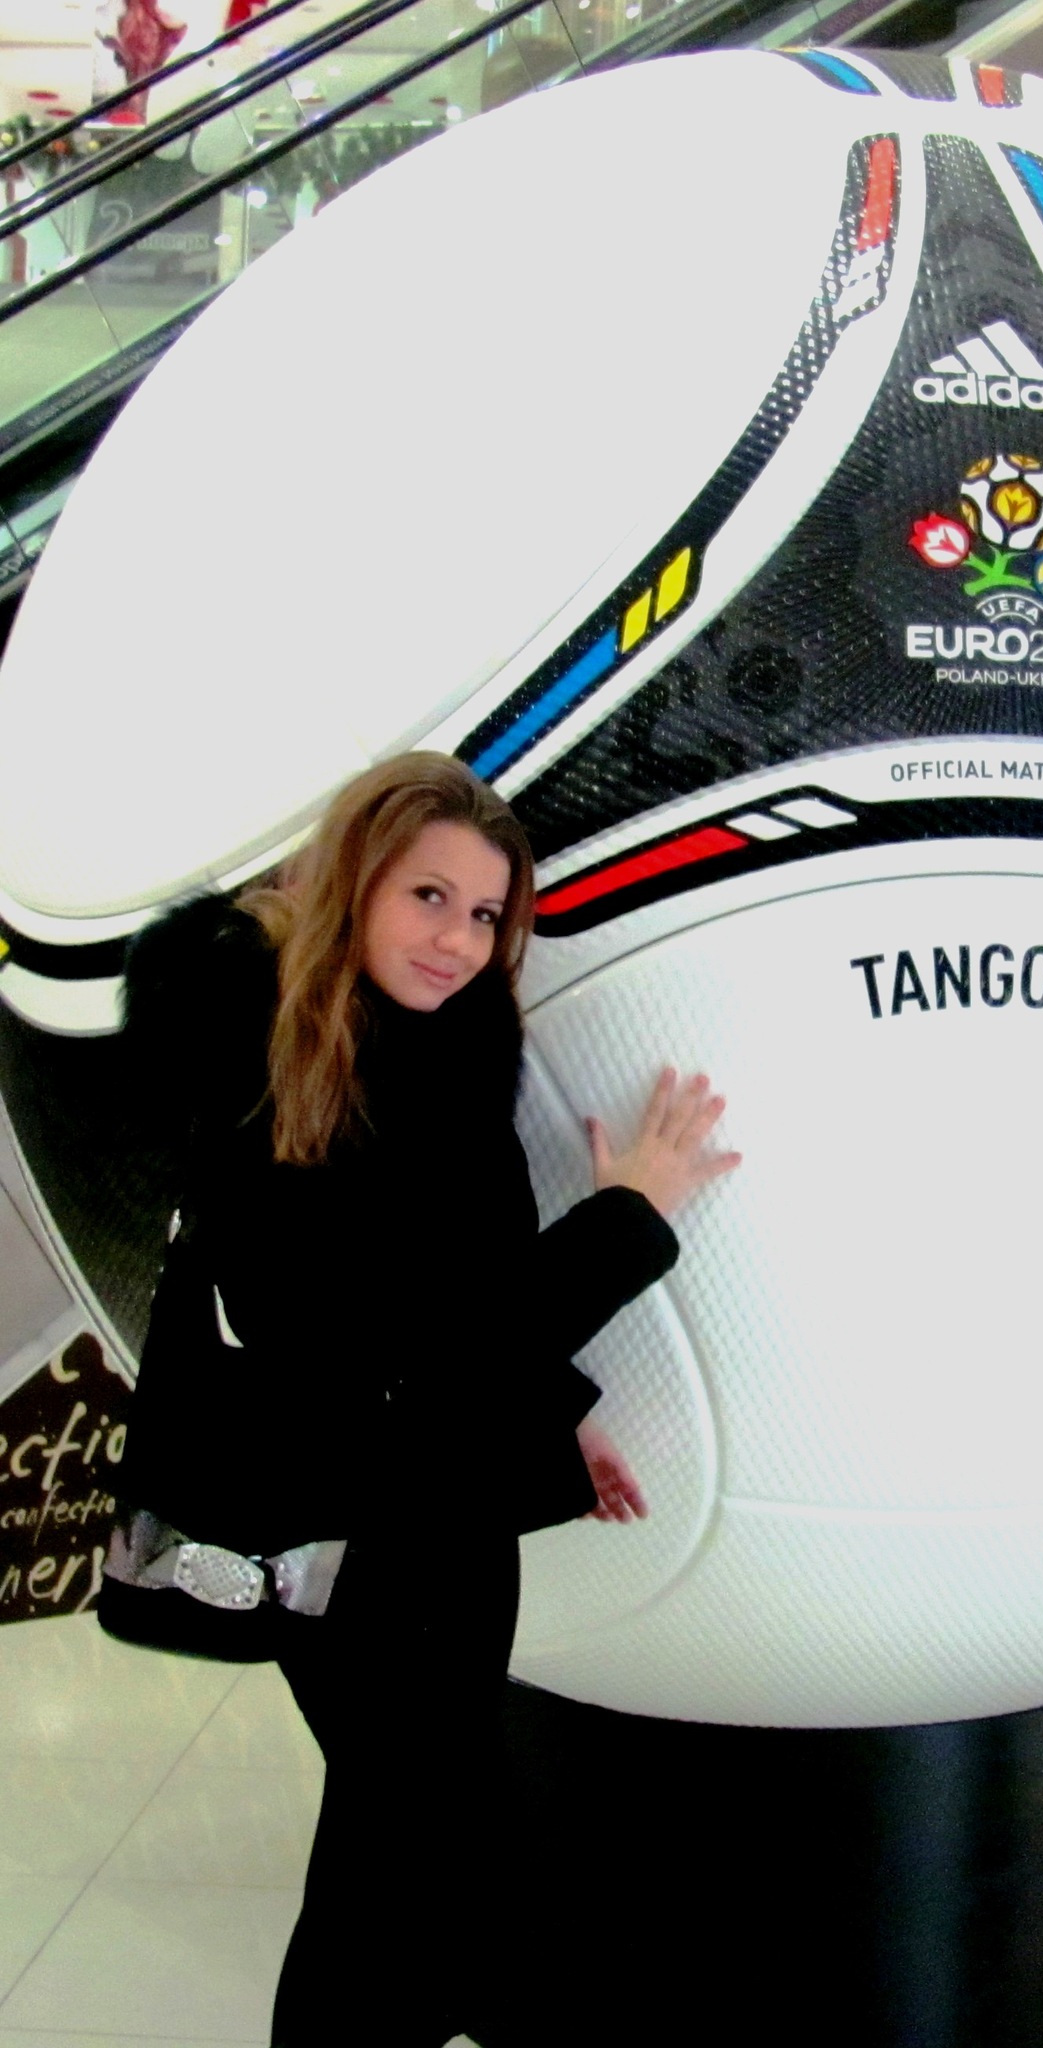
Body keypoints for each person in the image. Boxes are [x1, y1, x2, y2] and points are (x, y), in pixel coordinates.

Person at [113, 752, 740, 2046]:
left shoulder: (436, 1043)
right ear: (353, 882)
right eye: (429, 898)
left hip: (414, 1515)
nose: (459, 941)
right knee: (399, 1864)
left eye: (486, 914)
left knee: (415, 1843)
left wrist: (551, 1406)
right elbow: (401, 1329)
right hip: (358, 1541)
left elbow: (455, 1283)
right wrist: (632, 1213)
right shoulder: (264, 1054)